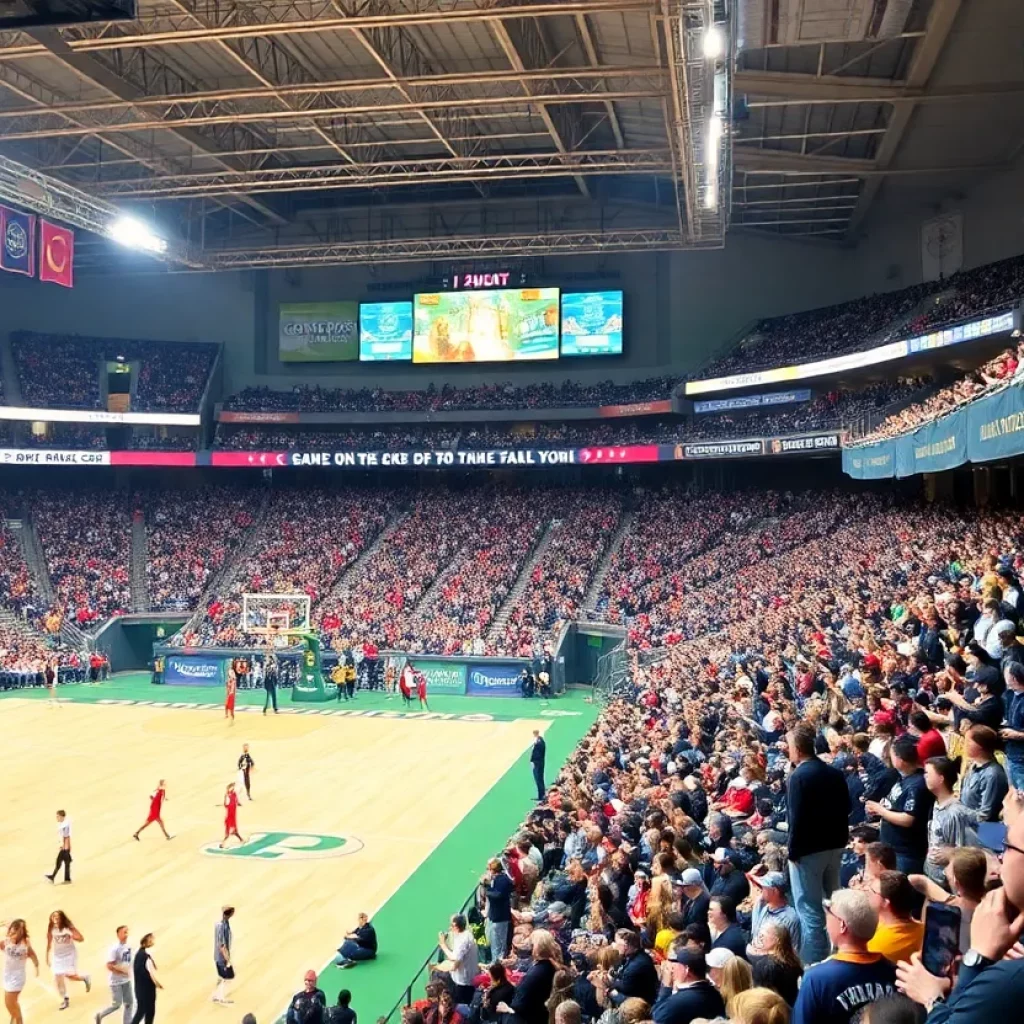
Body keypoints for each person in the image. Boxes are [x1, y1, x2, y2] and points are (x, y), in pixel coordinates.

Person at [895, 797, 1024, 1019]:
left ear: (958, 882)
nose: (1001, 857)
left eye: (1008, 847)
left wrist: (932, 997)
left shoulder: (1008, 979)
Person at [785, 723, 851, 965]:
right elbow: (848, 808)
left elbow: (796, 818)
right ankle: (840, 952)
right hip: (835, 846)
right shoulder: (834, 772)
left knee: (809, 909)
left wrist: (792, 851)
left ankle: (814, 965)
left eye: (790, 746)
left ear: (798, 749)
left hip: (808, 850)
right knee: (834, 903)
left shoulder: (798, 776)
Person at [791, 889, 896, 1024]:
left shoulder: (816, 979)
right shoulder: (893, 972)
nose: (826, 917)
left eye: (830, 912)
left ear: (842, 925)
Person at [866, 735, 934, 876]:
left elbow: (907, 819)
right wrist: (881, 809)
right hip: (892, 847)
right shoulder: (904, 778)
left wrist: (881, 810)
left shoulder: (917, 784)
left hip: (905, 852)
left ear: (900, 760)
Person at [922, 757, 976, 884]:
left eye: (928, 773)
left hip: (947, 881)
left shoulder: (955, 813)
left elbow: (965, 850)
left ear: (941, 779)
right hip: (932, 876)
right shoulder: (936, 804)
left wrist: (952, 853)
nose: (925, 777)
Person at [495, 929, 560, 1024]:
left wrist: (505, 1009)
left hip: (531, 1017)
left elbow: (518, 1006)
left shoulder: (536, 973)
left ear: (536, 948)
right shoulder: (551, 965)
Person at [651, 944, 726, 1024]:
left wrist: (666, 987)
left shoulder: (678, 1002)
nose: (673, 968)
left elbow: (655, 1017)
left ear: (687, 970)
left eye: (676, 963)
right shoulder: (715, 994)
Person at [866, 871, 924, 964]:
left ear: (885, 902)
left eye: (872, 891)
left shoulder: (876, 946)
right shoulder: (923, 930)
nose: (867, 891)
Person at [959, 724, 1009, 822]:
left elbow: (985, 814)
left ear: (980, 746)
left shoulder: (993, 774)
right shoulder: (973, 766)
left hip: (982, 831)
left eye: (969, 742)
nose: (965, 745)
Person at [748, 872, 802, 960]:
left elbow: (793, 950)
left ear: (775, 891)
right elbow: (754, 934)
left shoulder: (790, 917)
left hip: (774, 964)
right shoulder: (762, 906)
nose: (761, 890)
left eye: (764, 887)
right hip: (756, 957)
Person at [45, 909, 91, 1010]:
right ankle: (65, 998)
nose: (55, 919)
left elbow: (81, 938)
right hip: (58, 956)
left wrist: (71, 935)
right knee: (57, 976)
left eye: (57, 917)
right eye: (53, 917)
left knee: (69, 975)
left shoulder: (68, 927)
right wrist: (47, 957)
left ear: (61, 918)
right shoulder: (51, 929)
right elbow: (48, 943)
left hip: (70, 954)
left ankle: (84, 978)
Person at [749, 923, 803, 1006]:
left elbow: (759, 998)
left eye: (764, 935)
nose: (760, 938)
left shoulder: (765, 966)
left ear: (777, 940)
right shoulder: (794, 960)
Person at [608, 929, 659, 1005]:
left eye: (616, 943)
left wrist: (610, 983)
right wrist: (614, 975)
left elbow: (625, 988)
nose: (615, 947)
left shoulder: (635, 965)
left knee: (612, 993)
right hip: (640, 992)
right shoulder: (638, 955)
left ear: (625, 946)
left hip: (643, 1003)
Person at [1, 919, 39, 1024]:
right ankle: (15, 1019)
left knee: (9, 1002)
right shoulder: (7, 941)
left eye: (14, 932)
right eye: (11, 932)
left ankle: (18, 1020)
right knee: (11, 1004)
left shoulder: (25, 944)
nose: (11, 934)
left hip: (17, 977)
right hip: (7, 975)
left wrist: (36, 966)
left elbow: (32, 955)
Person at [436, 914, 479, 1005]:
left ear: (455, 926)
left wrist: (443, 944)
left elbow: (454, 959)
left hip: (463, 982)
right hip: (468, 979)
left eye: (451, 925)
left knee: (461, 1006)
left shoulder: (463, 941)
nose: (449, 928)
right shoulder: (466, 934)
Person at [96, 925, 134, 1024]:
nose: (126, 934)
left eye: (127, 932)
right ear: (118, 934)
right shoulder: (114, 949)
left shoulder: (128, 947)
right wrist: (122, 972)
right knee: (116, 1005)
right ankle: (100, 1015)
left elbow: (127, 962)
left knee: (129, 1004)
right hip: (116, 982)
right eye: (124, 932)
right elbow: (109, 965)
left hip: (126, 980)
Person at [482, 858, 514, 959]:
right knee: (495, 942)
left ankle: (497, 963)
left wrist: (486, 888)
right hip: (497, 916)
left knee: (498, 944)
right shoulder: (501, 878)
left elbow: (498, 895)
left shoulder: (502, 880)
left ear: (493, 870)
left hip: (500, 917)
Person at [130, 933, 160, 1024]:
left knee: (143, 1011)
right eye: (151, 940)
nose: (152, 941)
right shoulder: (145, 956)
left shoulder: (139, 954)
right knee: (147, 1011)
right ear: (145, 942)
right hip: (146, 990)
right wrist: (157, 983)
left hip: (140, 989)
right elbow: (150, 972)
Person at [213, 906, 235, 1005]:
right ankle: (221, 997)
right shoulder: (223, 927)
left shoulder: (219, 924)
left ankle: (216, 995)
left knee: (221, 977)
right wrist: (227, 959)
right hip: (222, 957)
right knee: (227, 978)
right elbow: (222, 945)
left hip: (217, 956)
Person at [44, 808, 73, 884]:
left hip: (65, 847)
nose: (57, 818)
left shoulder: (65, 826)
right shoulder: (63, 823)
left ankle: (53, 877)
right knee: (66, 863)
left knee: (59, 861)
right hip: (65, 847)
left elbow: (66, 836)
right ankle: (66, 879)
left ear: (62, 817)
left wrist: (64, 847)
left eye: (58, 816)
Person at [220, 783, 244, 848]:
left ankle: (241, 839)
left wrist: (238, 803)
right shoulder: (228, 795)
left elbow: (236, 801)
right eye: (232, 787)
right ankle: (223, 844)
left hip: (232, 815)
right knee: (230, 831)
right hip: (230, 816)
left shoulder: (233, 794)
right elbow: (226, 805)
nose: (233, 788)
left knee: (233, 830)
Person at [531, 729, 546, 802]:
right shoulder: (539, 742)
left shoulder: (539, 743)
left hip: (538, 763)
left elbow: (537, 754)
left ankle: (542, 795)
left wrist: (534, 761)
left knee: (539, 779)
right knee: (539, 779)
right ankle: (541, 795)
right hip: (538, 763)